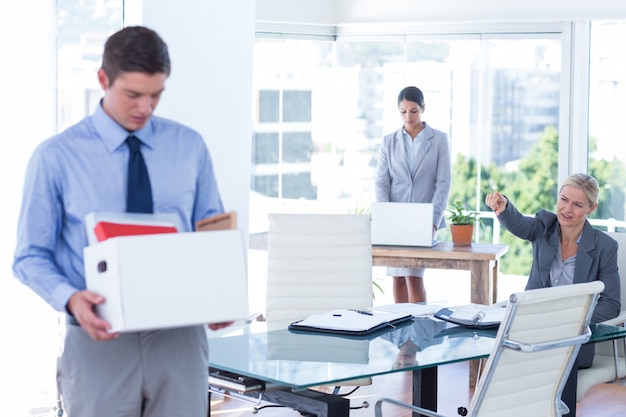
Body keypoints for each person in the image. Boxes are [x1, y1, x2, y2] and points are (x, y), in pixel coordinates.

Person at [13, 26, 232, 416]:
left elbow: (210, 236)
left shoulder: (189, 147)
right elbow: (29, 257)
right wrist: (70, 299)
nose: (145, 108)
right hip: (99, 342)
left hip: (179, 342)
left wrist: (220, 294)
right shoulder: (55, 157)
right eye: (133, 94)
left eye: (156, 95)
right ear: (103, 79)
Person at [485, 173, 621, 417]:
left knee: (550, 359)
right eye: (564, 199)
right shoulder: (543, 226)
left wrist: (572, 319)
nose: (567, 209)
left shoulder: (604, 246)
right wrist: (503, 204)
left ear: (592, 207)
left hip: (570, 340)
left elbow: (611, 304)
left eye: (577, 204)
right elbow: (519, 223)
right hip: (530, 333)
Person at [375, 86, 451, 303]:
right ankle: (401, 334)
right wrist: (385, 217)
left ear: (423, 108)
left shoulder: (439, 140)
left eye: (413, 111)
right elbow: (381, 182)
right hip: (395, 220)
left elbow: (443, 183)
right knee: (397, 279)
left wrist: (433, 221)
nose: (408, 116)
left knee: (414, 277)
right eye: (403, 111)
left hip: (424, 220)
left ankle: (419, 331)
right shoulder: (389, 141)